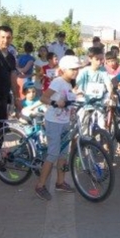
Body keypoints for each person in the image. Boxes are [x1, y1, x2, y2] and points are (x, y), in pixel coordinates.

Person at [35, 55, 82, 200]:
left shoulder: (68, 84)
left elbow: (68, 101)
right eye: (72, 69)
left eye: (77, 69)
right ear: (63, 70)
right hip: (54, 121)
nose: (75, 72)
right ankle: (40, 186)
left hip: (64, 121)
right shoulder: (58, 81)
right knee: (53, 154)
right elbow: (43, 98)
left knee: (63, 154)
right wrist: (55, 103)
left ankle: (60, 182)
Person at [0, 25, 22, 127]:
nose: (5, 40)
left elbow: (13, 78)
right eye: (3, 37)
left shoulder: (11, 57)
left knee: (2, 129)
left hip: (3, 98)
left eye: (8, 37)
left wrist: (17, 99)